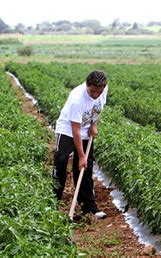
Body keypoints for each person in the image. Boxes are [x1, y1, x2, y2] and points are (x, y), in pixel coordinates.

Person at [52, 70, 108, 219]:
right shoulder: (77, 99)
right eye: (93, 91)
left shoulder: (103, 89)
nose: (96, 94)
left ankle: (88, 207)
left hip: (85, 130)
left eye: (99, 91)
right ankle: (52, 203)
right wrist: (81, 155)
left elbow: (97, 110)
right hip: (68, 131)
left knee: (85, 168)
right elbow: (75, 130)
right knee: (61, 163)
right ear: (86, 86)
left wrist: (94, 125)